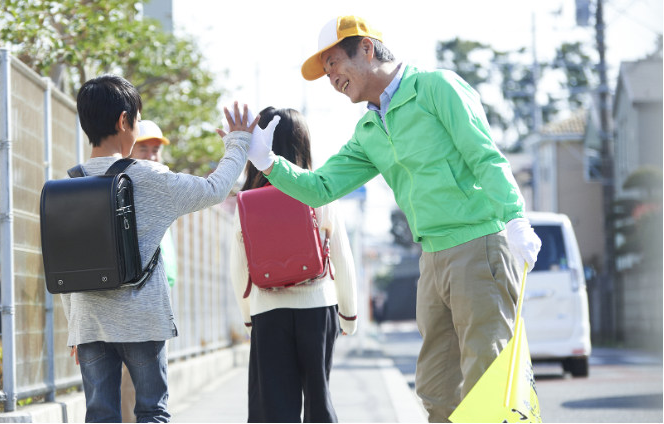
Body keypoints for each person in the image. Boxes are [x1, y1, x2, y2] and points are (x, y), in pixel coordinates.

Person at [246, 16, 542, 423]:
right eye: (326, 70)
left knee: (487, 380)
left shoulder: (436, 88)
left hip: (480, 246)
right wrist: (268, 162)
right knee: (436, 389)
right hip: (432, 258)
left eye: (334, 62)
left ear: (366, 48)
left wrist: (515, 218)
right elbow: (320, 188)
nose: (330, 77)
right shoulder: (369, 128)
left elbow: (484, 156)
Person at [65, 74, 260, 423]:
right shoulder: (149, 177)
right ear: (123, 121)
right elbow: (215, 189)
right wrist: (238, 143)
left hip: (89, 324)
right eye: (137, 120)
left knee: (99, 413)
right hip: (143, 321)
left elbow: (67, 268)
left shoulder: (68, 185)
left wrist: (73, 329)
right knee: (152, 411)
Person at [229, 107, 358, 423]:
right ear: (304, 144)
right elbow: (342, 258)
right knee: (318, 398)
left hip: (267, 311)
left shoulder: (248, 201)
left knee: (274, 407)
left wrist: (248, 318)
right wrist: (349, 315)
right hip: (318, 306)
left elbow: (238, 269)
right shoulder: (318, 191)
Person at [119, 120, 179, 423]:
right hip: (133, 299)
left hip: (156, 297)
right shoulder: (125, 190)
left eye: (156, 150)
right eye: (145, 149)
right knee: (138, 393)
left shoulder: (157, 189)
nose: (153, 155)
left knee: (149, 393)